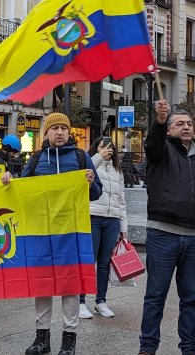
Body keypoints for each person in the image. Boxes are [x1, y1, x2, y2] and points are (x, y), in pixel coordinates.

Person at [138, 100, 195, 355]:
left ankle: (189, 348)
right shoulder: (161, 152)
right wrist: (160, 121)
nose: (186, 127)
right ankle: (148, 347)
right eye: (179, 124)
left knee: (191, 300)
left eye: (189, 124)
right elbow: (152, 143)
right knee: (155, 296)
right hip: (163, 234)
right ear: (170, 130)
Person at [16, 112, 102, 355]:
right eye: (55, 129)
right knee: (42, 283)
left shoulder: (80, 156)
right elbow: (21, 190)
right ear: (47, 133)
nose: (60, 132)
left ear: (69, 132)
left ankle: (69, 340)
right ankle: (41, 338)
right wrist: (7, 182)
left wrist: (90, 181)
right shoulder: (36, 158)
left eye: (64, 128)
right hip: (41, 233)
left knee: (70, 285)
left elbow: (96, 194)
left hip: (71, 232)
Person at [80, 136, 127, 320]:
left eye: (110, 147)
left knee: (104, 263)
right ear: (96, 148)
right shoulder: (91, 164)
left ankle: (101, 301)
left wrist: (123, 227)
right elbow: (84, 176)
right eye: (103, 146)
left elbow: (121, 199)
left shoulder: (118, 171)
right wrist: (99, 157)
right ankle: (81, 301)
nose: (107, 150)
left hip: (112, 219)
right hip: (93, 216)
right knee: (88, 260)